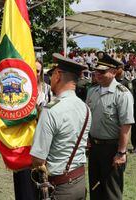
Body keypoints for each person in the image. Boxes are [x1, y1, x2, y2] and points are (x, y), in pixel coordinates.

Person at [30, 53, 91, 200]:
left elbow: (38, 159)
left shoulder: (51, 110)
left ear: (57, 75)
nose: (50, 79)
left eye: (51, 74)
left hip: (60, 187)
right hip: (79, 181)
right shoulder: (85, 108)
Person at [85, 51, 134, 200]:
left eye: (102, 71)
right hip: (94, 147)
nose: (97, 74)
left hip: (112, 150)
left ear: (113, 72)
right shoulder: (92, 91)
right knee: (95, 188)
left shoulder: (122, 94)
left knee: (111, 192)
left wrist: (121, 152)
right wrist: (87, 139)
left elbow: (126, 126)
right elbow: (88, 118)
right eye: (96, 71)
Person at [12, 59, 53, 200]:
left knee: (44, 183)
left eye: (37, 70)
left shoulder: (48, 89)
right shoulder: (20, 89)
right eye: (32, 69)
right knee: (25, 184)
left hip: (44, 141)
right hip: (24, 141)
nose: (35, 73)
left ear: (41, 72)